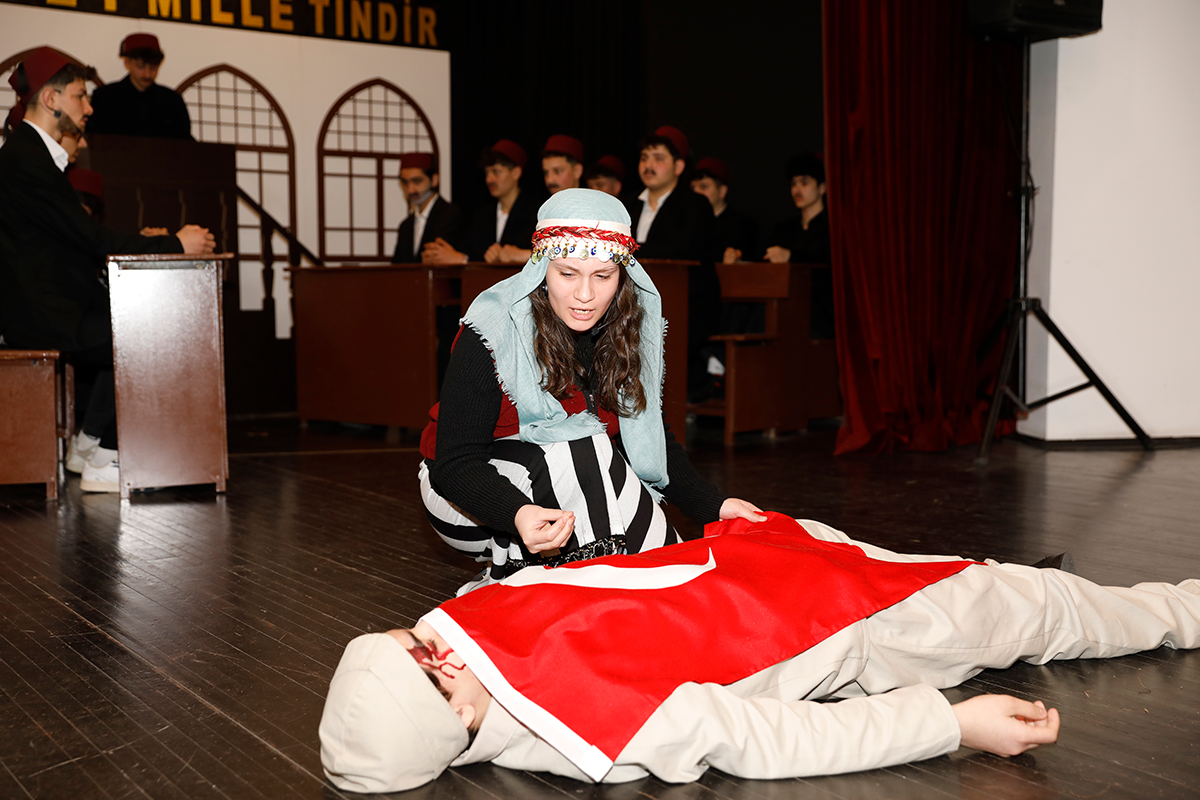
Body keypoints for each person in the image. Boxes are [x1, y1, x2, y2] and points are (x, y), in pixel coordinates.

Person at [320, 511, 1200, 792]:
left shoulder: (456, 637)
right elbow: (772, 740)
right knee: (1044, 609)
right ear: (455, 720)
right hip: (866, 620)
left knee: (1011, 589)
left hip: (781, 556)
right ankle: (1187, 611)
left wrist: (735, 531)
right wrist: (952, 724)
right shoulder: (592, 729)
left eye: (409, 639)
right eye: (428, 666)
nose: (436, 641)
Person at [417, 189, 764, 592]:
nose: (585, 295)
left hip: (572, 483)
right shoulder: (493, 328)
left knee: (664, 571)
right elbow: (456, 463)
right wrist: (517, 512)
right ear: (541, 266)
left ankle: (628, 594)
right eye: (567, 274)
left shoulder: (625, 330)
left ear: (623, 275)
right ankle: (528, 584)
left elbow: (648, 439)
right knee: (584, 446)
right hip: (467, 502)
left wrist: (714, 505)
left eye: (603, 276)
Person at [0, 48, 215, 492]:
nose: (89, 107)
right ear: (51, 99)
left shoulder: (31, 156)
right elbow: (92, 240)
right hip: (41, 310)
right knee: (148, 333)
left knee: (138, 320)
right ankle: (107, 458)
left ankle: (94, 448)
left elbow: (76, 241)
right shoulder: (25, 159)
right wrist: (175, 243)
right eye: (80, 96)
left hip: (52, 300)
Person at [626, 126, 720, 397]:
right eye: (644, 158)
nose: (648, 165)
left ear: (679, 166)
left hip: (687, 302)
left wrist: (627, 248)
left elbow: (680, 248)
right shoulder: (629, 204)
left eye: (658, 158)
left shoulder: (695, 204)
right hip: (635, 300)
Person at [424, 140, 536, 265]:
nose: (489, 179)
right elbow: (469, 252)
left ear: (516, 173)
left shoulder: (536, 212)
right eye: (487, 173)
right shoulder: (482, 216)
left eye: (496, 172)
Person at [764, 152, 833, 338]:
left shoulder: (832, 227)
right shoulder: (783, 229)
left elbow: (825, 265)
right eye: (793, 184)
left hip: (819, 305)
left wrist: (791, 257)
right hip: (782, 300)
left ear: (822, 188)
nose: (797, 190)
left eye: (804, 183)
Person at [86, 33, 192, 140]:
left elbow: (185, 142)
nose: (147, 74)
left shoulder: (172, 101)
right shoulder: (105, 97)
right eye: (140, 66)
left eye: (153, 67)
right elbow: (93, 139)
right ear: (127, 63)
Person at [390, 152, 463, 264]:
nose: (410, 190)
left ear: (434, 180)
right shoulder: (405, 226)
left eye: (417, 181)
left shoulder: (452, 215)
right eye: (405, 182)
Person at [690, 156, 758, 262]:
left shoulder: (741, 226)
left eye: (703, 187)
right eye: (693, 188)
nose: (696, 192)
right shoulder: (686, 223)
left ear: (722, 191)